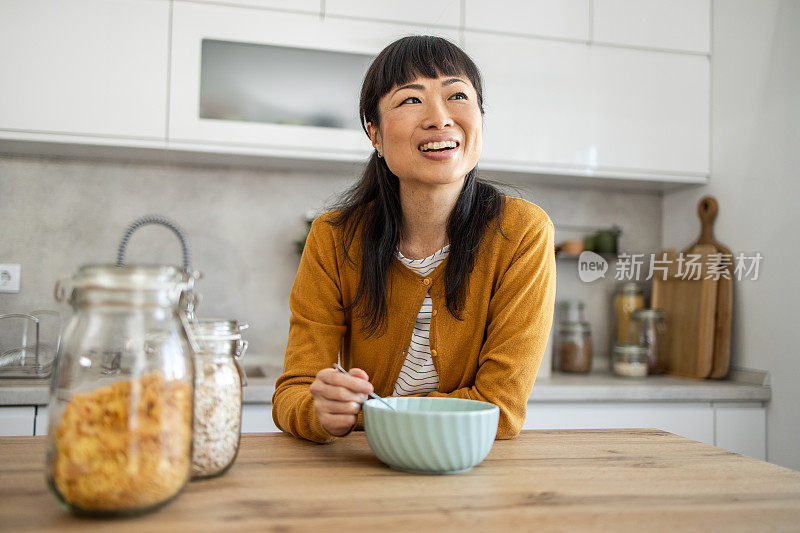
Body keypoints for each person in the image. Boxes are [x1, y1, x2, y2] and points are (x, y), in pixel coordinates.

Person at [272, 35, 556, 443]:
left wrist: (365, 416)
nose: (440, 118)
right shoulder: (334, 239)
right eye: (410, 100)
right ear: (375, 135)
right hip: (365, 473)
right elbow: (293, 392)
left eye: (458, 95)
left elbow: (501, 409)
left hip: (468, 470)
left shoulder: (521, 232)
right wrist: (319, 411)